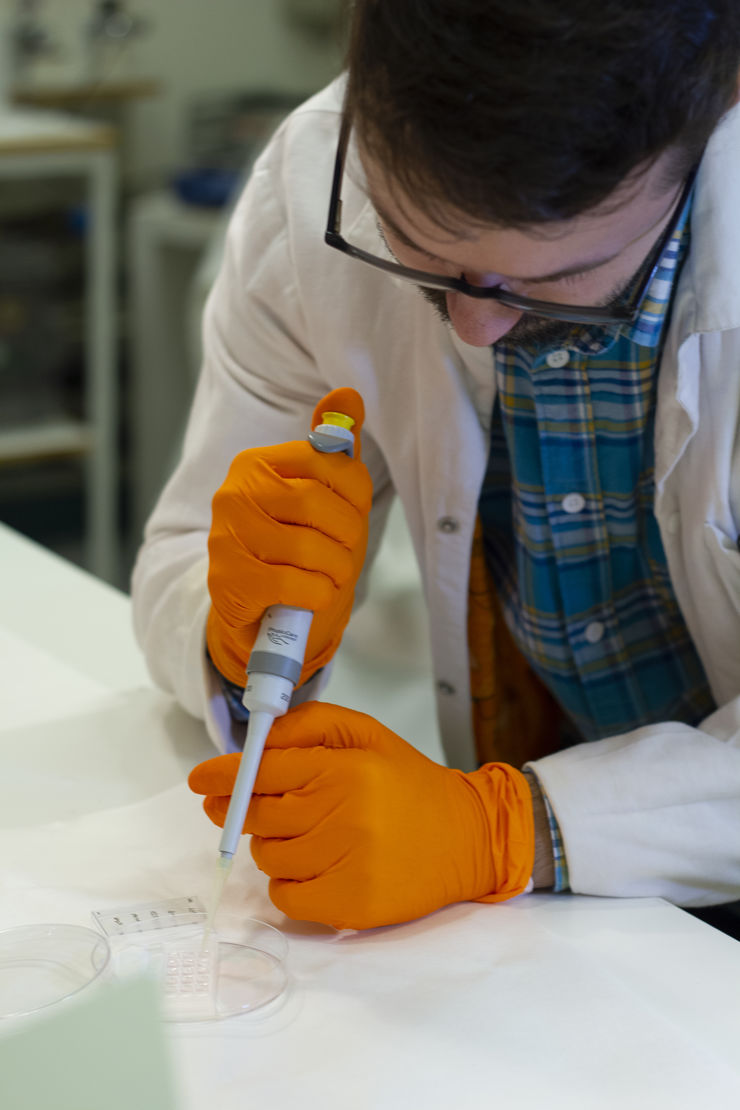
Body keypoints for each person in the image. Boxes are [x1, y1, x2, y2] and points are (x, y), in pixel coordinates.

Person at [132, 1, 740, 933]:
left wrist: (507, 829)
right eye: (424, 254)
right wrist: (232, 627)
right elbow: (178, 552)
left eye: (554, 282)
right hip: (560, 913)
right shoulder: (316, 176)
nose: (474, 326)